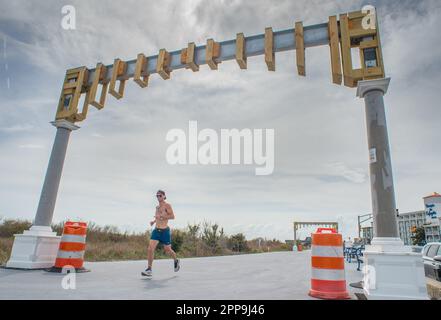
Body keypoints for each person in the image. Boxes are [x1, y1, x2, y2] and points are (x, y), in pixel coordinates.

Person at [142, 190, 180, 277]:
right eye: (157, 196)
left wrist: (162, 216)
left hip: (165, 231)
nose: (158, 197)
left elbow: (172, 216)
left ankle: (176, 260)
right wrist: (154, 221)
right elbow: (158, 217)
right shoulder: (157, 207)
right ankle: (149, 269)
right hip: (156, 231)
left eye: (160, 195)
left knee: (167, 250)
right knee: (150, 249)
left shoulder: (167, 206)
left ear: (164, 196)